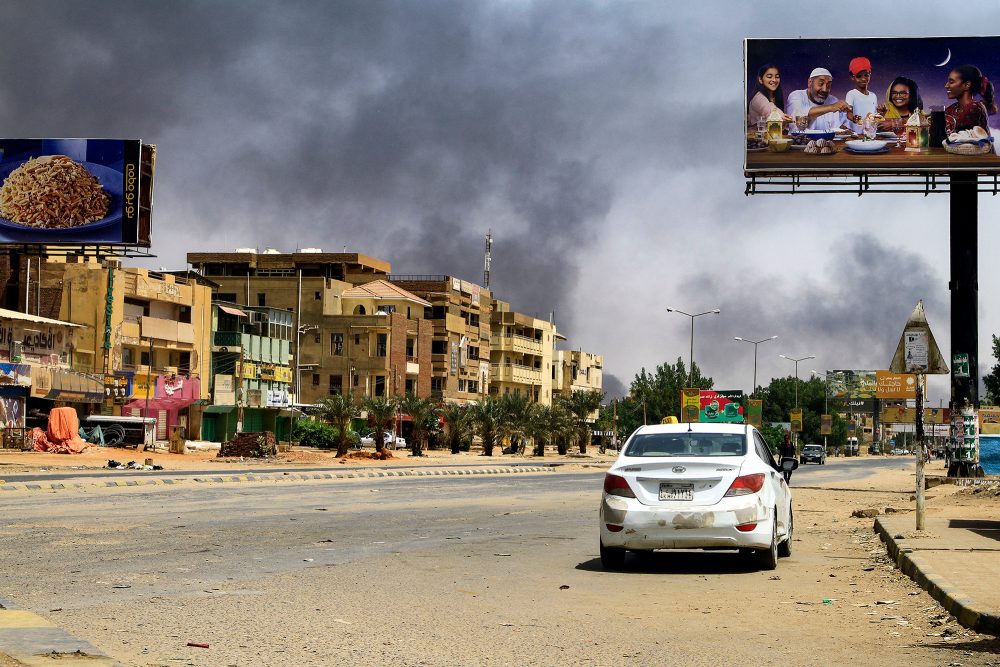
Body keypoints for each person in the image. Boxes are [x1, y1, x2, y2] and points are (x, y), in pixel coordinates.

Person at [786, 67, 852, 131]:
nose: (825, 89)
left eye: (828, 86)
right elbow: (800, 116)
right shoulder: (796, 96)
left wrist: (849, 114)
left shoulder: (833, 100)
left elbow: (843, 127)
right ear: (810, 82)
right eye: (821, 84)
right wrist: (831, 107)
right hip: (800, 141)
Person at [945, 64, 997, 132]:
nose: (946, 85)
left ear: (967, 85)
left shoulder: (975, 108)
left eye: (951, 82)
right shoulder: (954, 107)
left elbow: (946, 126)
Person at [845, 56, 879, 134]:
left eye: (866, 75)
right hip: (856, 135)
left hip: (871, 134)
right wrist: (854, 118)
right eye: (859, 76)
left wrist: (882, 113)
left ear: (870, 74)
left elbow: (875, 116)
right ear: (852, 77)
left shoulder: (873, 96)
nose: (863, 79)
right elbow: (848, 113)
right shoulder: (851, 94)